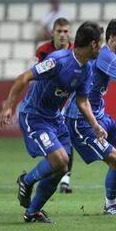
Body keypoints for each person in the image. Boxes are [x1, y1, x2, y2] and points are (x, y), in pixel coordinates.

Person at [0, 21, 106, 223]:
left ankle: (32, 212)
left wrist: (94, 124)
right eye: (101, 43)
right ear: (93, 44)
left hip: (55, 119)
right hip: (34, 115)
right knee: (59, 160)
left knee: (63, 167)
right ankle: (26, 181)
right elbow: (23, 77)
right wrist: (8, 106)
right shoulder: (58, 60)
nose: (102, 47)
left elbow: (82, 101)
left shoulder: (86, 69)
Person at [63, 17, 116, 215]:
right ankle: (110, 205)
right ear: (111, 37)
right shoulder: (106, 56)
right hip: (81, 121)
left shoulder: (105, 55)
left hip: (101, 116)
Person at [31, 17, 75, 194]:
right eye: (59, 31)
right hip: (48, 102)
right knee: (53, 143)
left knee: (68, 139)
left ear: (70, 33)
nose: (63, 35)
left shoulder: (75, 50)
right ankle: (52, 172)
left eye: (66, 31)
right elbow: (32, 74)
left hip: (68, 99)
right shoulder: (43, 51)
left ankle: (65, 179)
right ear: (53, 32)